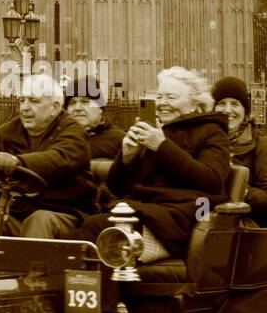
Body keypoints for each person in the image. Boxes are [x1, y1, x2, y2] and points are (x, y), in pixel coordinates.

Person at [71, 67, 231, 262]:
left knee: (98, 231)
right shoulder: (154, 131)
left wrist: (162, 146)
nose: (163, 103)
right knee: (78, 236)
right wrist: (127, 158)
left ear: (194, 105)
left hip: (178, 219)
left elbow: (212, 179)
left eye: (171, 98)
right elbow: (118, 188)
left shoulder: (212, 132)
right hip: (144, 212)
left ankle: (102, 292)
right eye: (160, 97)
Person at [0, 73, 93, 238]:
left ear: (55, 107)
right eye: (22, 100)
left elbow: (60, 159)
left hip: (63, 212)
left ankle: (35, 264)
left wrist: (18, 162)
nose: (25, 108)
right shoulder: (8, 131)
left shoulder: (73, 131)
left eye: (33, 101)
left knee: (39, 220)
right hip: (15, 211)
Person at [211, 75, 267, 225]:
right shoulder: (207, 141)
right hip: (210, 214)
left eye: (235, 104)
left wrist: (237, 187)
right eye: (222, 103)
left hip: (246, 222)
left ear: (246, 112)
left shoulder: (263, 144)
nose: (227, 110)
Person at [64, 85, 125, 161]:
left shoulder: (120, 140)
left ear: (100, 108)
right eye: (72, 103)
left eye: (85, 101)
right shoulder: (58, 137)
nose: (77, 108)